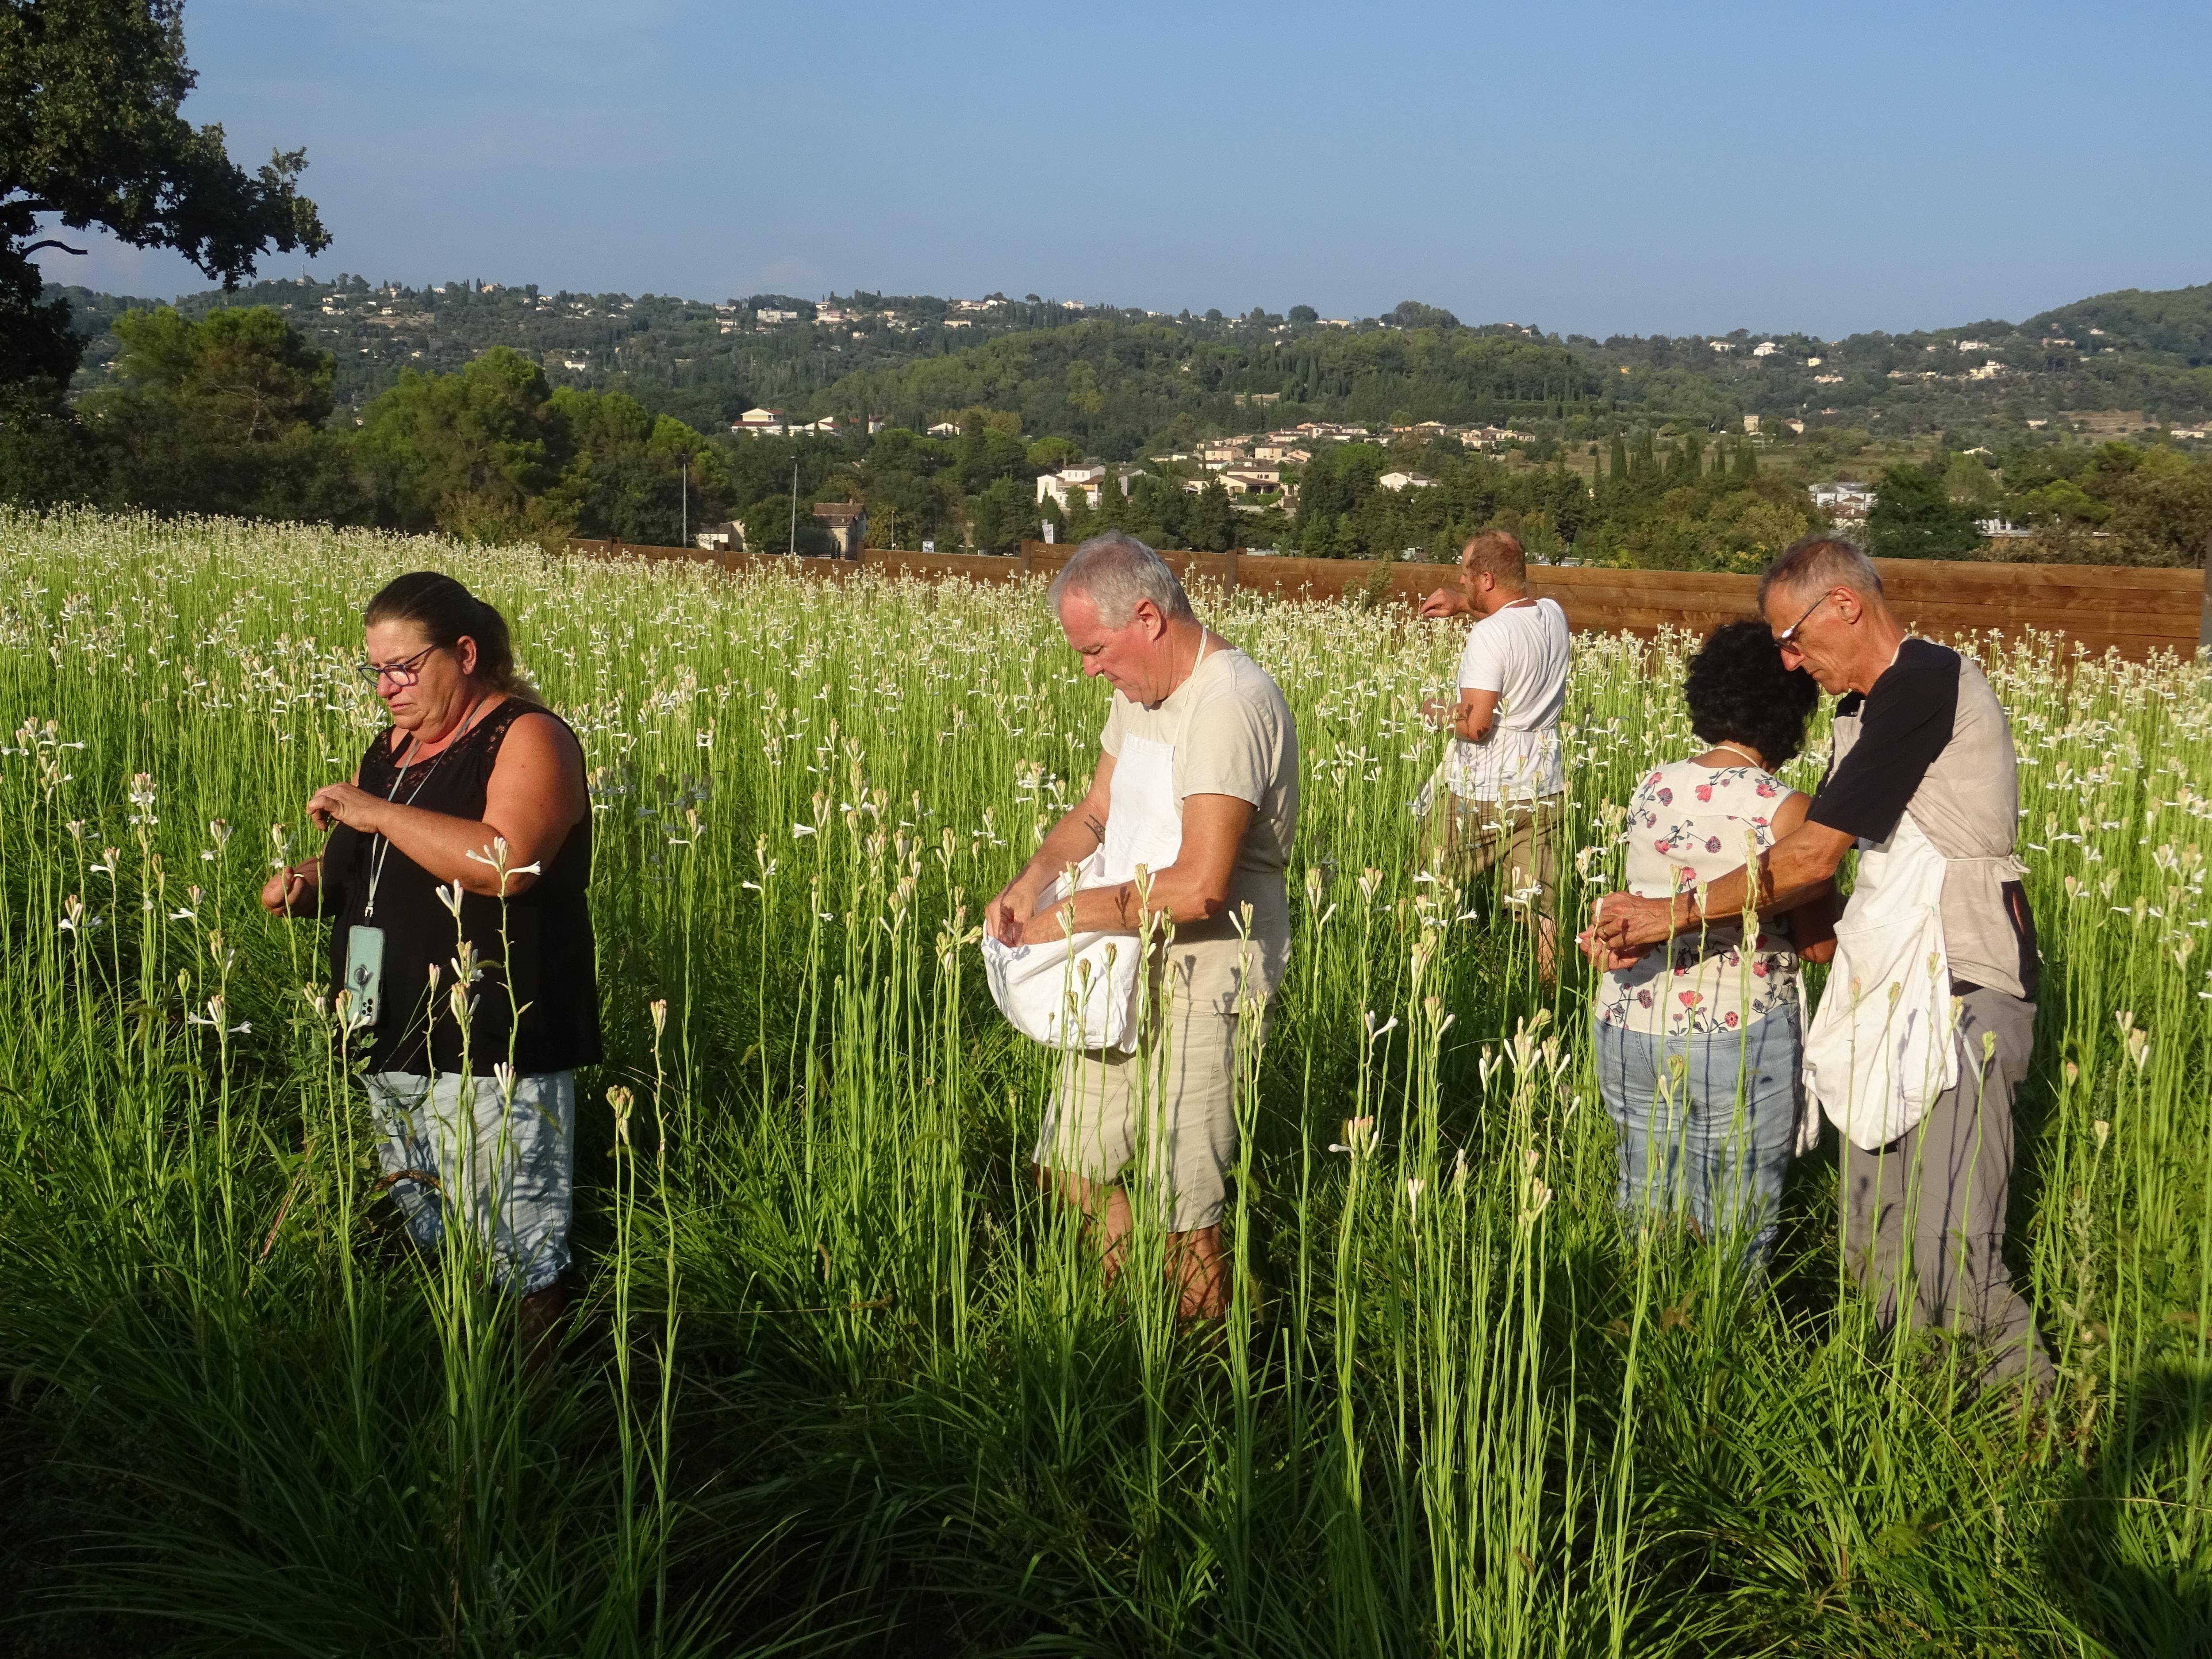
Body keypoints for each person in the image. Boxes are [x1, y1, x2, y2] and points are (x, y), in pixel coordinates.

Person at [1588, 537, 2050, 1392]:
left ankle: (2037, 1422)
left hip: (1960, 981)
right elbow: (1816, 876)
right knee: (1870, 1229)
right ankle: (1906, 1406)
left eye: (1792, 639)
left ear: (1844, 604)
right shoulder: (1861, 713)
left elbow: (1808, 861)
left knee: (1948, 1244)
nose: (1791, 662)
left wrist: (1666, 914)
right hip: (1889, 988)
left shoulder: (1927, 682)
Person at [263, 571, 599, 1351]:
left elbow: (508, 861)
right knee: (434, 1221)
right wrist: (306, 884)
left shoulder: (529, 736)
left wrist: (374, 810)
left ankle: (533, 1401)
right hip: (386, 1018)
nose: (387, 687)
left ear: (466, 654)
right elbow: (369, 865)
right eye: (376, 670)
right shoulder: (393, 750)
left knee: (517, 1241)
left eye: (403, 668)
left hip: (493, 1033)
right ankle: (454, 1373)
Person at [986, 533, 1298, 1319]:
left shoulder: (1229, 705)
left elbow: (1199, 887)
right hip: (1122, 962)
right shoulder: (1139, 697)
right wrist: (1031, 880)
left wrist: (1068, 916)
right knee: (1069, 1166)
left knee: (1185, 1214)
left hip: (1208, 972)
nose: (1089, 670)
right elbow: (1097, 810)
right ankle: (1132, 1316)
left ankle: (1205, 1363)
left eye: (1095, 650)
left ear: (1149, 619)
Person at [1592, 621, 1836, 1266]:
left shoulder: (1653, 784)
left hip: (1628, 1016)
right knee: (1736, 1219)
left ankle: (1639, 1309)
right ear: (1790, 711)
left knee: (1644, 1195)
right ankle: (1721, 1324)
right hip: (1736, 1026)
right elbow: (1817, 947)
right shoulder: (1787, 810)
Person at [1416, 529, 1573, 978]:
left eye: (1465, 574)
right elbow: (1513, 616)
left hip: (1483, 791)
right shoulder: (1553, 614)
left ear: (1485, 578)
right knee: (1541, 909)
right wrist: (1461, 603)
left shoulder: (1488, 635)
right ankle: (1549, 999)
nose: (1460, 580)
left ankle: (1424, 980)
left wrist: (1431, 711)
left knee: (1430, 886)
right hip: (1544, 788)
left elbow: (1476, 724)